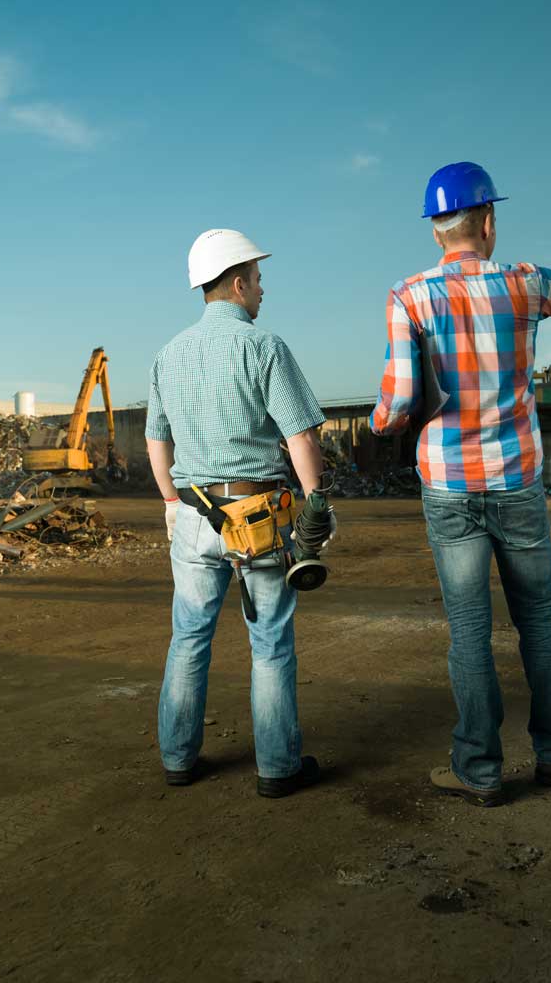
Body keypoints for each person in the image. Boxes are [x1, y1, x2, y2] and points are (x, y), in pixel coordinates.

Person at [370, 162, 551, 807]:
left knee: (469, 630)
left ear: (437, 231)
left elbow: (400, 400)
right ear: (489, 220)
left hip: (449, 487)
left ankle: (480, 769)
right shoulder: (523, 285)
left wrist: (389, 421)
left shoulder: (408, 297)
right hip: (518, 481)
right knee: (540, 620)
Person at [146, 228, 328, 799]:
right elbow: (300, 432)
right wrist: (316, 496)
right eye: (257, 279)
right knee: (270, 642)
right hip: (258, 518)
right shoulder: (263, 348)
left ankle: (178, 758)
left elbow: (157, 443)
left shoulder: (166, 355)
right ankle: (277, 768)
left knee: (188, 637)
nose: (262, 290)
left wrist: (172, 503)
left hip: (195, 515)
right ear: (238, 281)